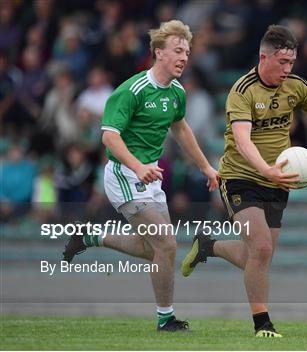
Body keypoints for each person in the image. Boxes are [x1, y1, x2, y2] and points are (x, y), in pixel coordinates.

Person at [180, 25, 307, 337]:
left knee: (258, 255)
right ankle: (263, 325)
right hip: (240, 177)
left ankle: (208, 246)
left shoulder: (296, 86)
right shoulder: (243, 91)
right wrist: (265, 169)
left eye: (292, 63)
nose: (288, 69)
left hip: (277, 179)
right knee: (260, 248)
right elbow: (244, 142)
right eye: (283, 62)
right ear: (264, 57)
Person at [61, 20, 219, 333]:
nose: (184, 57)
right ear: (158, 53)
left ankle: (91, 236)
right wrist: (137, 166)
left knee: (153, 249)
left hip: (150, 177)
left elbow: (181, 128)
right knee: (167, 243)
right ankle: (166, 319)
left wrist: (206, 167)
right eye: (177, 50)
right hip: (123, 174)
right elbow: (109, 137)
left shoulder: (176, 92)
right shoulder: (131, 90)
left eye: (186, 51)